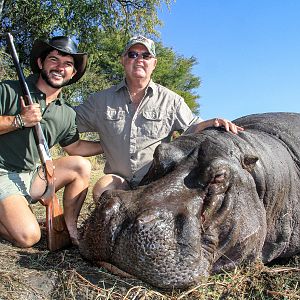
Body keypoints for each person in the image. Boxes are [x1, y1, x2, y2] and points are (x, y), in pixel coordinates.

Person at [75, 35, 243, 201]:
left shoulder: (172, 101)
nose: (139, 59)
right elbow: (69, 122)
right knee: (101, 191)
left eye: (146, 55)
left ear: (154, 63)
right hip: (118, 180)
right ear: (123, 60)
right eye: (133, 54)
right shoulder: (100, 100)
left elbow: (193, 127)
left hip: (157, 181)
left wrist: (214, 122)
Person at [0, 36, 102, 248]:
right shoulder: (8, 90)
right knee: (29, 237)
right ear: (40, 63)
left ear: (73, 73)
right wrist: (19, 120)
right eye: (54, 59)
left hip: (30, 175)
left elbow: (74, 147)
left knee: (80, 166)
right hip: (1, 173)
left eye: (67, 64)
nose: (59, 67)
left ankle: (70, 230)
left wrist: (108, 146)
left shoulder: (66, 113)